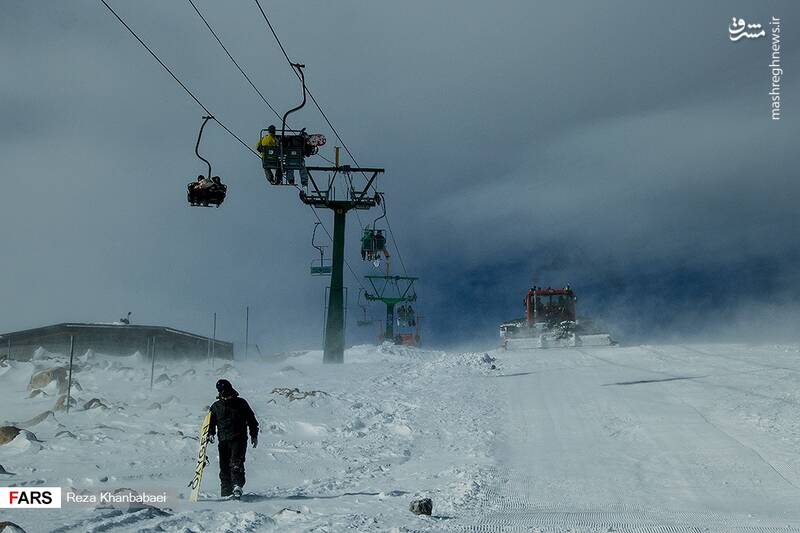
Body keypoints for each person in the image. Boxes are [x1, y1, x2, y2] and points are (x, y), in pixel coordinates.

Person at [208, 379, 259, 499]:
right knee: (224, 466)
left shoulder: (241, 403)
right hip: (223, 440)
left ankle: (237, 486)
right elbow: (210, 423)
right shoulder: (216, 406)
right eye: (223, 393)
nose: (226, 396)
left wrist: (254, 434)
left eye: (228, 392)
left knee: (236, 463)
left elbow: (251, 419)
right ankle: (226, 492)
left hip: (239, 438)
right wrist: (210, 433)